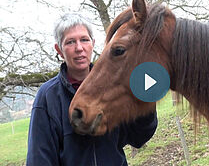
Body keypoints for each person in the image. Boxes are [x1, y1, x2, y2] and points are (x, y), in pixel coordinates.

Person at [26, 13, 158, 166]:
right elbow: (39, 159)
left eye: (84, 39)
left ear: (93, 43)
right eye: (70, 42)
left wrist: (146, 100)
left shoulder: (114, 84)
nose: (79, 48)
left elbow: (138, 137)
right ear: (59, 50)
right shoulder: (47, 97)